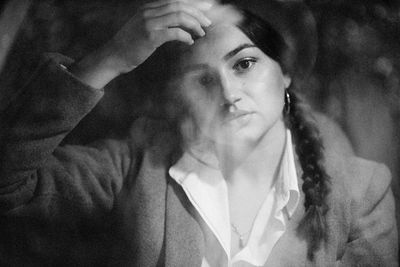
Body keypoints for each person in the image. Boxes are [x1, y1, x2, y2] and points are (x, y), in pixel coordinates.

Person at [0, 0, 397, 266]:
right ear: (178, 97)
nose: (228, 94)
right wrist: (111, 59)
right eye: (203, 80)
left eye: (244, 64)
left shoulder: (362, 190)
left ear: (286, 72)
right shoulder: (134, 167)